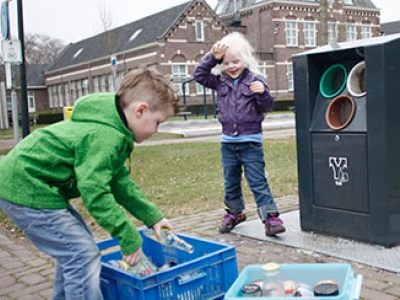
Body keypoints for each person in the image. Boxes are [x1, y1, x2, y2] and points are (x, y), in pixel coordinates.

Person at [0, 67, 180, 300]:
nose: (157, 130)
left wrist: (153, 217)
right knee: (81, 254)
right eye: (158, 122)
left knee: (76, 251)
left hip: (37, 188)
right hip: (25, 188)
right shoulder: (105, 136)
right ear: (141, 110)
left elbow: (120, 184)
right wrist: (128, 236)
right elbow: (95, 193)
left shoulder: (114, 129)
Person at [194, 32, 285, 237]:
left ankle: (270, 217)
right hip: (228, 143)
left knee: (257, 180)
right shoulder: (220, 82)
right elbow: (199, 75)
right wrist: (212, 57)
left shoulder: (256, 80)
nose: (231, 66)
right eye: (226, 63)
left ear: (244, 60)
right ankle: (235, 213)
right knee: (231, 181)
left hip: (250, 142)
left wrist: (263, 93)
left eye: (236, 61)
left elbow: (267, 106)